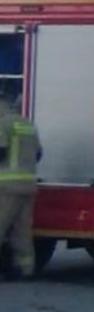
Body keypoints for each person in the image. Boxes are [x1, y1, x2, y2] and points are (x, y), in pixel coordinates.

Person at [0, 97, 39, 281]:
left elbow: (0, 151)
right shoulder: (28, 125)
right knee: (22, 230)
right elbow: (38, 153)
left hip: (7, 185)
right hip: (29, 184)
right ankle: (25, 269)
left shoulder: (3, 124)